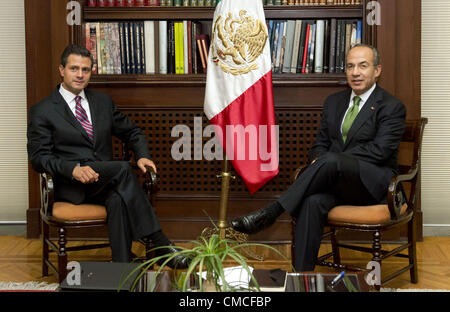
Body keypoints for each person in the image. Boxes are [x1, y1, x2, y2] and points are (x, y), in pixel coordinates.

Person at [231, 44, 407, 271]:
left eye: (363, 66)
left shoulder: (391, 107)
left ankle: (272, 212)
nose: (355, 72)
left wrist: (333, 161)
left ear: (377, 70)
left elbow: (380, 151)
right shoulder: (333, 102)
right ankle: (301, 277)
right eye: (350, 66)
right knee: (312, 202)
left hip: (375, 186)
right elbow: (319, 145)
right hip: (339, 185)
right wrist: (323, 160)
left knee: (332, 161)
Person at [27, 44, 188, 267]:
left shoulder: (102, 102)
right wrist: (73, 169)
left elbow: (133, 132)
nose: (80, 75)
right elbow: (38, 158)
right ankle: (160, 244)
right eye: (74, 69)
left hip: (105, 183)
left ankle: (120, 269)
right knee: (123, 169)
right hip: (72, 185)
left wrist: (142, 155)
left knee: (118, 198)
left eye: (86, 69)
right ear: (61, 70)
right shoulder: (42, 110)